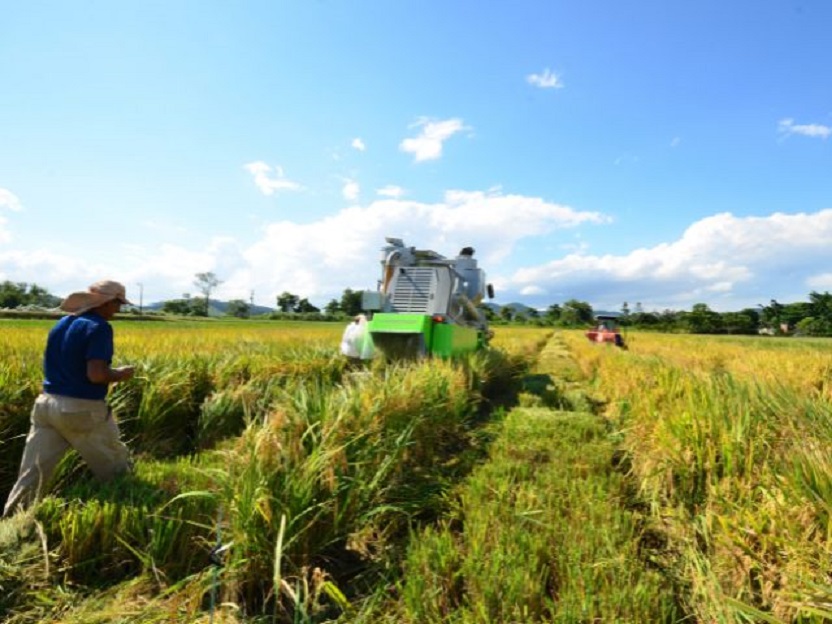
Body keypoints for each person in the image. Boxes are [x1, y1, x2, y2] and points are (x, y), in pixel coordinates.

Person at [3, 280, 136, 516]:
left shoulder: (63, 323)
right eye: (118, 304)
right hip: (81, 409)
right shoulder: (99, 327)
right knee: (116, 469)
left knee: (32, 475)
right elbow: (96, 375)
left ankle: (10, 527)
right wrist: (122, 375)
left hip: (46, 405)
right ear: (107, 302)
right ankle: (132, 517)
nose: (118, 309)